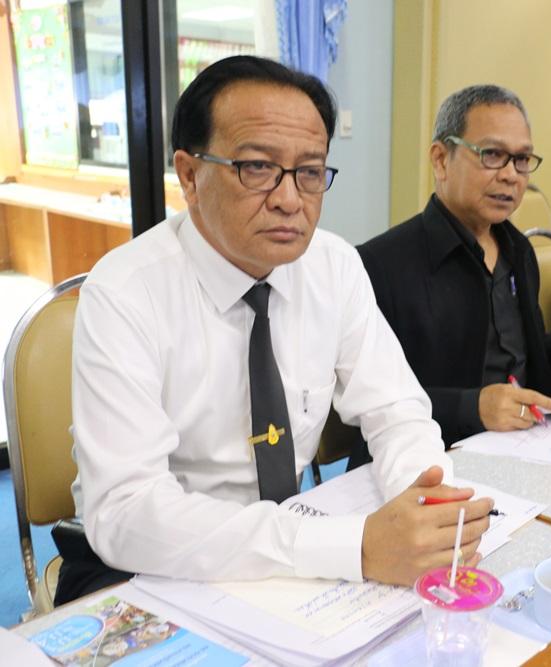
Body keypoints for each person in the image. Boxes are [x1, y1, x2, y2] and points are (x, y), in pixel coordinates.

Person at [63, 56, 493, 604]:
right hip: (154, 566)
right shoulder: (125, 292)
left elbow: (397, 410)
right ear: (190, 176)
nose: (290, 199)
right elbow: (127, 513)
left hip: (298, 542)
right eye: (257, 167)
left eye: (310, 172)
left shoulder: (333, 266)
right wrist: (353, 547)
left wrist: (427, 499)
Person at [356, 85, 551, 450]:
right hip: (430, 455)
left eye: (521, 159)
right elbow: (366, 399)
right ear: (440, 159)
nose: (511, 175)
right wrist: (471, 407)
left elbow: (527, 350)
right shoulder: (379, 265)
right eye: (492, 155)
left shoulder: (518, 251)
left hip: (526, 442)